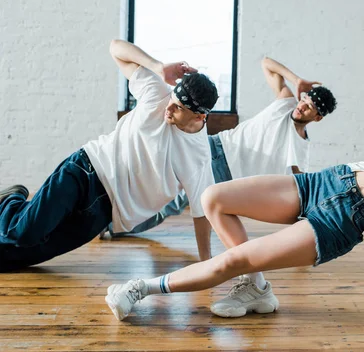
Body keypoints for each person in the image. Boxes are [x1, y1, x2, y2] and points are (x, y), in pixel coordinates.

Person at [105, 45, 364, 336]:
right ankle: (257, 288)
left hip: (343, 223)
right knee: (212, 198)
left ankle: (140, 290)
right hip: (331, 180)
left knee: (232, 259)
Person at [0, 40, 218, 271]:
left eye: (178, 108)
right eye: (172, 101)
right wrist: (158, 66)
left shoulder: (199, 156)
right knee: (23, 233)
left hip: (105, 213)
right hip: (87, 172)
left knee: (13, 257)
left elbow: (201, 211)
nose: (169, 108)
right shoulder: (157, 94)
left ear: (199, 118)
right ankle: (11, 200)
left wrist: (206, 263)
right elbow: (116, 48)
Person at [104, 56, 337, 261]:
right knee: (167, 193)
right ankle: (113, 220)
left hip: (228, 174)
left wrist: (304, 235)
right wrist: (297, 80)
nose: (302, 107)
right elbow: (267, 63)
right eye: (304, 101)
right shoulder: (286, 101)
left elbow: (300, 189)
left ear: (317, 118)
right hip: (217, 145)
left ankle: (113, 225)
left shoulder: (299, 147)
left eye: (309, 108)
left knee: (172, 202)